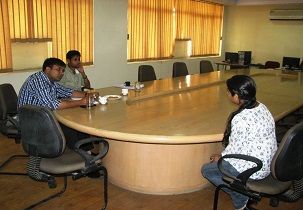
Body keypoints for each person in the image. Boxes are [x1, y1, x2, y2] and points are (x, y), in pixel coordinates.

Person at [201, 75, 277, 210]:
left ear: (236, 95)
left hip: (255, 169)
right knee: (220, 167)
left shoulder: (240, 118)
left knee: (207, 170)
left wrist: (221, 157)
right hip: (271, 163)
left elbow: (234, 148)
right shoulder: (261, 106)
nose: (227, 93)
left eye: (228, 91)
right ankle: (243, 192)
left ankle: (241, 198)